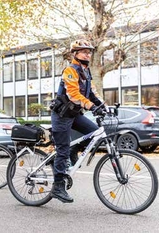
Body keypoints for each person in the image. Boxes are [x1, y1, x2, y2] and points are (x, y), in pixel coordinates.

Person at [50, 39, 104, 203]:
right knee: (62, 150)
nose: (88, 54)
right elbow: (73, 95)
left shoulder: (86, 72)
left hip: (74, 115)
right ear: (75, 54)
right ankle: (58, 188)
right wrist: (90, 106)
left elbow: (92, 94)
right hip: (61, 116)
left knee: (95, 133)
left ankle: (73, 151)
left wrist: (103, 106)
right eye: (84, 51)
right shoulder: (70, 71)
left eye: (89, 52)